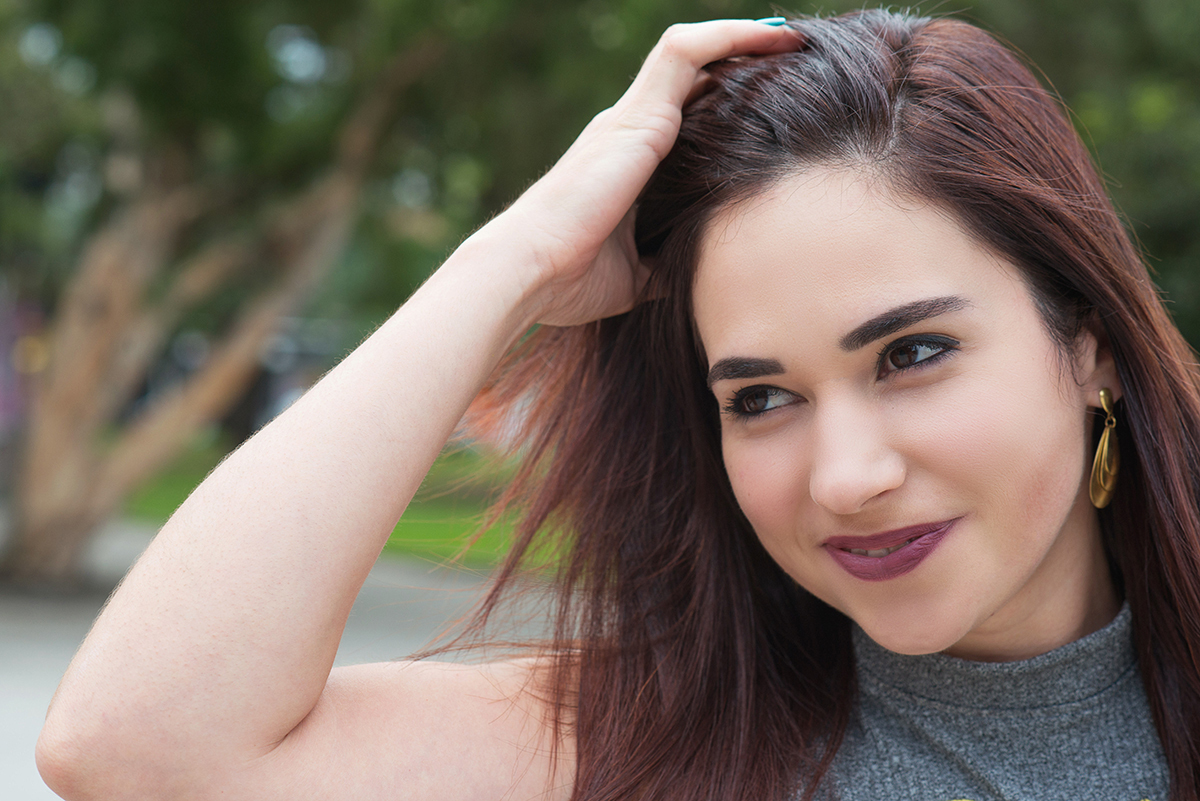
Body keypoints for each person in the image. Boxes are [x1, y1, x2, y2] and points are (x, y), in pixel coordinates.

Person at [35, 9, 1200, 801]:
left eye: (914, 354)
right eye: (761, 398)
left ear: (1086, 343)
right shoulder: (666, 740)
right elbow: (136, 748)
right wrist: (521, 263)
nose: (845, 478)